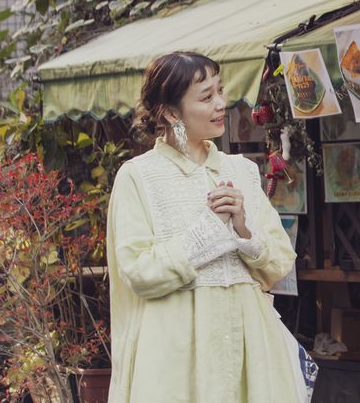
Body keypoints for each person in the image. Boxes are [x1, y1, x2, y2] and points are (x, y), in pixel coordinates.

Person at [107, 52, 315, 402]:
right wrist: (206, 230)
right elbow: (138, 272)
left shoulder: (241, 171)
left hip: (252, 349)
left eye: (220, 91)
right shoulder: (138, 176)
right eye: (206, 97)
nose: (221, 104)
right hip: (176, 355)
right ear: (171, 112)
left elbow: (279, 262)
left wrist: (242, 230)